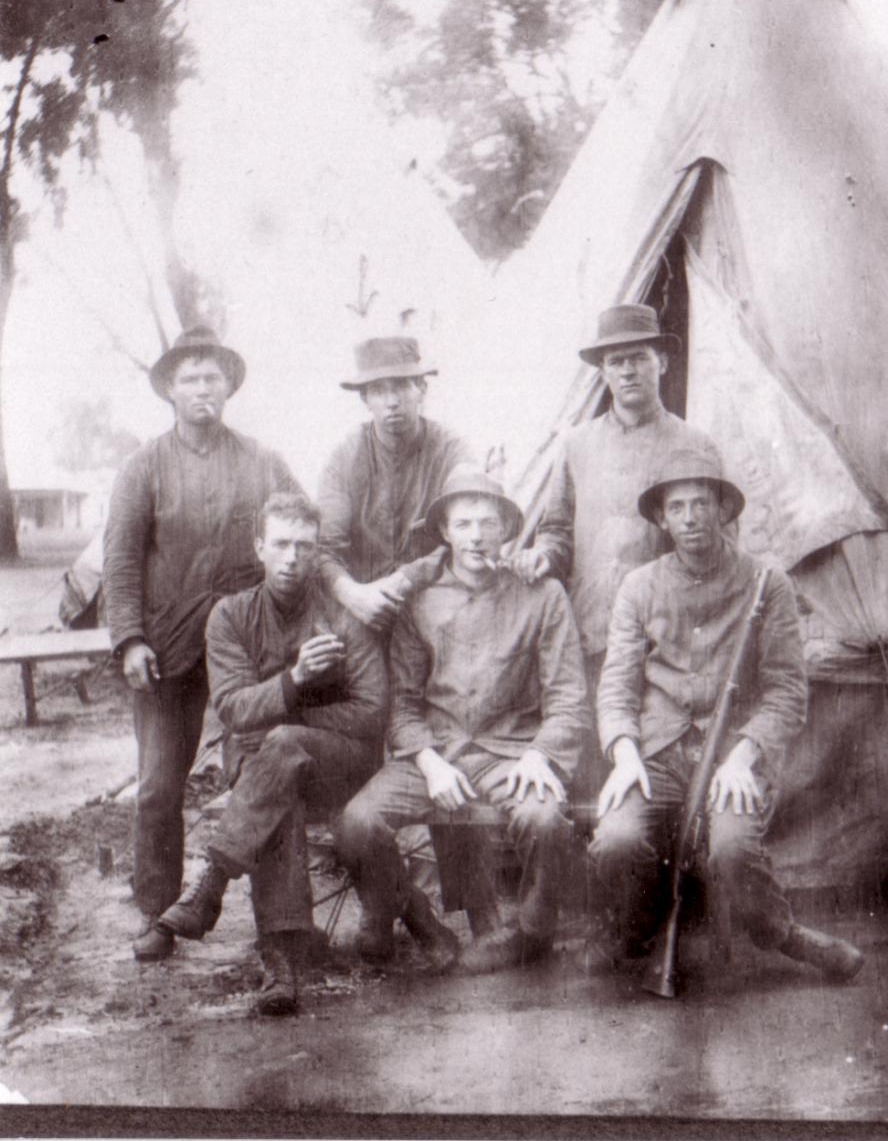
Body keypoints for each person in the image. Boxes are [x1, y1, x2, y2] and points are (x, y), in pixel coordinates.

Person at [589, 446, 865, 982]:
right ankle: (634, 925)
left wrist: (743, 756)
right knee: (616, 841)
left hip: (733, 754)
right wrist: (624, 756)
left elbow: (787, 689)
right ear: (662, 520)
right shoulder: (639, 587)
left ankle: (784, 935)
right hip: (657, 756)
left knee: (733, 853)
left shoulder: (768, 583)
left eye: (701, 503)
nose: (690, 518)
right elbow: (617, 687)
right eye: (677, 507)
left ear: (722, 510)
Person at [336, 467, 588, 974]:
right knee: (357, 824)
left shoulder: (542, 595)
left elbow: (569, 697)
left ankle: (532, 933)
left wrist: (541, 754)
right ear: (445, 532)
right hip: (437, 751)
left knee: (545, 819)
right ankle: (412, 915)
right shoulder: (420, 601)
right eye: (464, 524)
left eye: (488, 523)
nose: (476, 536)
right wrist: (430, 765)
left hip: (512, 751)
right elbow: (403, 705)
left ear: (506, 530)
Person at [103, 326, 302, 963]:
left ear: (229, 387)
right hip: (169, 650)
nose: (202, 390)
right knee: (160, 785)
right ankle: (158, 913)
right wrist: (130, 639)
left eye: (212, 378)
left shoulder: (263, 460)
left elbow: (300, 525)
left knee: (263, 769)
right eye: (189, 379)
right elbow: (121, 559)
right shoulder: (143, 467)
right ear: (169, 390)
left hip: (248, 649)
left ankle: (279, 924)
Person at [154, 492, 389, 1014]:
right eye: (281, 544)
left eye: (305, 546)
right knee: (276, 786)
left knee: (280, 748)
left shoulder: (343, 616)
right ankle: (282, 960)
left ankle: (211, 886)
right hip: (260, 765)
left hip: (341, 764)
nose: (292, 559)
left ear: (317, 550)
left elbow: (373, 712)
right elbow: (234, 708)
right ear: (258, 546)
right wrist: (296, 679)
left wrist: (289, 715)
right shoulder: (230, 616)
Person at [509, 303, 721, 789]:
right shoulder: (577, 444)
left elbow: (714, 546)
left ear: (662, 362)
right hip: (590, 637)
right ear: (602, 371)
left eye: (638, 357)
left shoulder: (693, 444)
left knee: (653, 775)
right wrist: (543, 555)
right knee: (590, 778)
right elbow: (557, 530)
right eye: (615, 360)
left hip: (664, 645)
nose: (627, 370)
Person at [317, 335, 472, 635]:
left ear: (421, 389)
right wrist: (353, 595)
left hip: (436, 604)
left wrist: (406, 579)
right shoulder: (343, 459)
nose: (391, 402)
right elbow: (324, 549)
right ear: (364, 399)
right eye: (378, 390)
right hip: (360, 608)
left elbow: (470, 531)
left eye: (401, 386)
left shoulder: (452, 451)